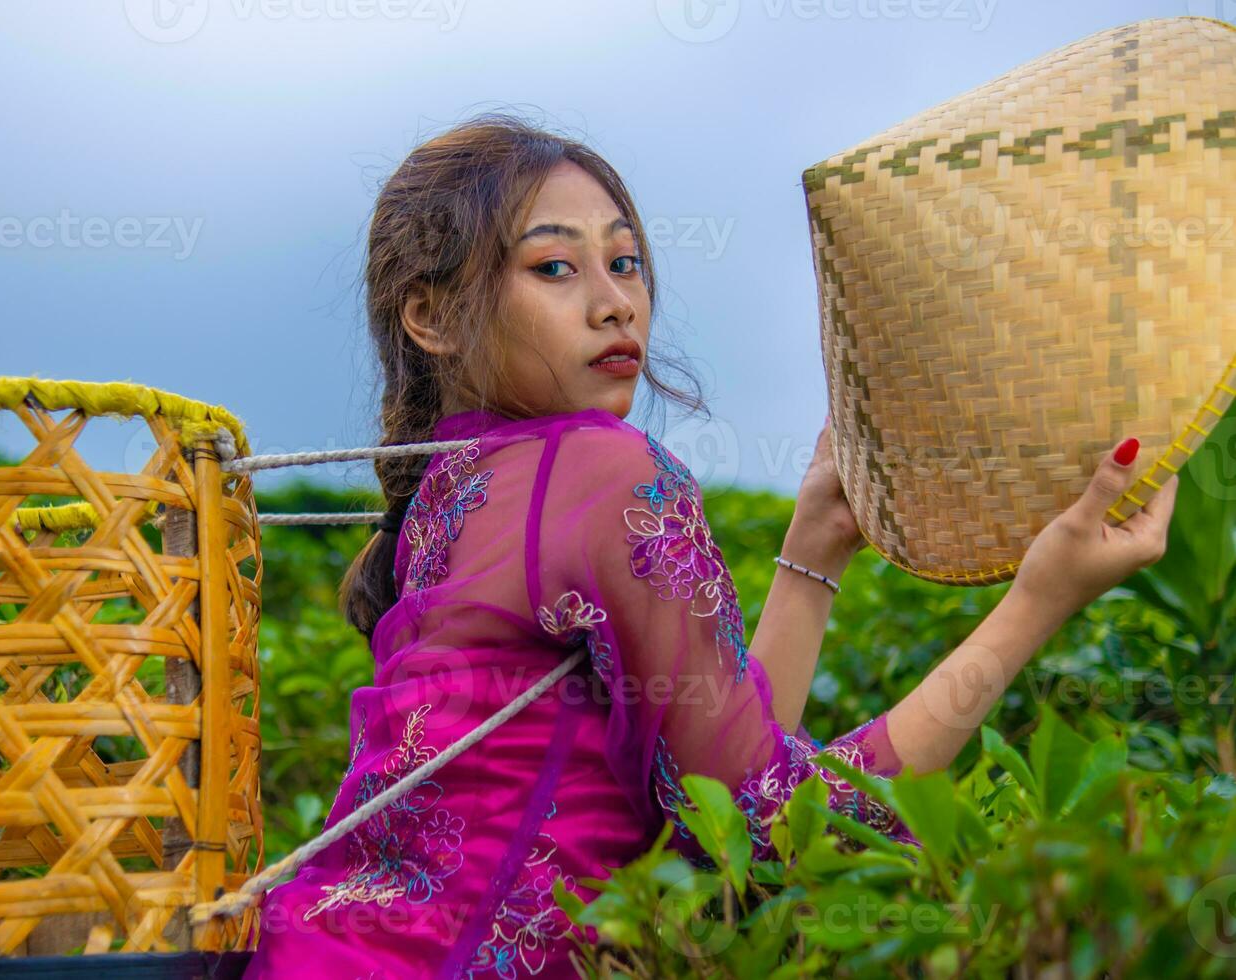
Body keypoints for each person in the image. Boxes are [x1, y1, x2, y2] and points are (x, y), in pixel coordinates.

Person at [242, 113, 1178, 979]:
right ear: (433, 317)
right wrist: (1038, 603)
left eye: (628, 262)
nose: (615, 304)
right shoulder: (604, 472)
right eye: (556, 269)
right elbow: (772, 832)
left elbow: (715, 782)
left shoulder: (450, 492)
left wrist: (814, 551)